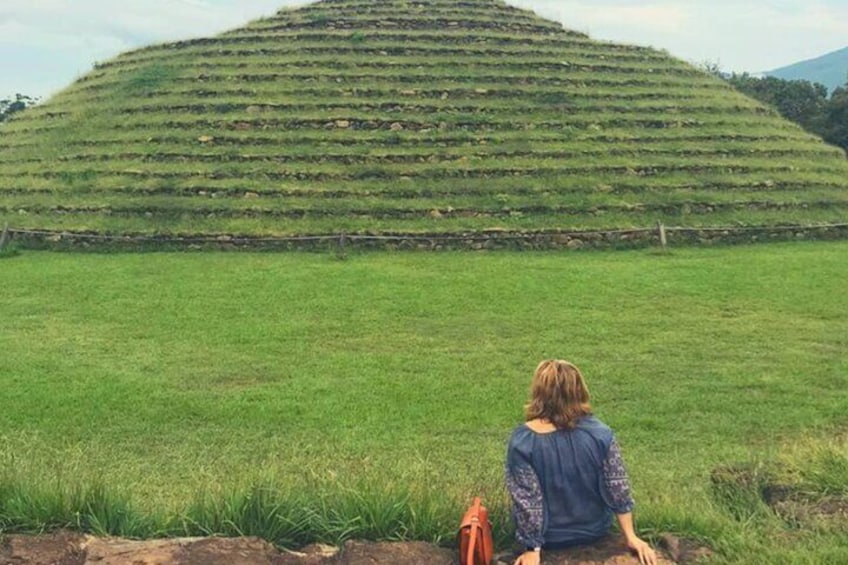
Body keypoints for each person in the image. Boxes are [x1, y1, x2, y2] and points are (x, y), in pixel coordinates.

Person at [505, 359, 657, 565]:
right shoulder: (601, 434)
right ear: (578, 390)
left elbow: (528, 501)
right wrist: (630, 536)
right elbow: (618, 488)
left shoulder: (523, 442)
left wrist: (533, 549)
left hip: (551, 539)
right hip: (596, 530)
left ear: (539, 392)